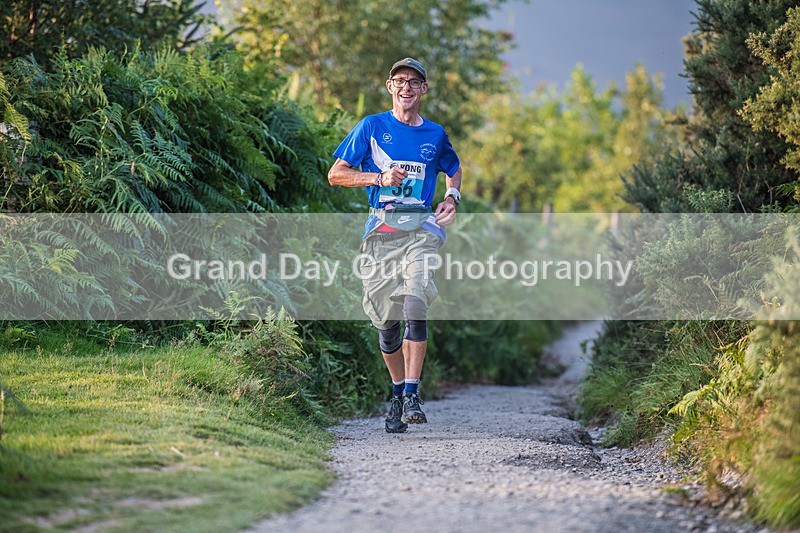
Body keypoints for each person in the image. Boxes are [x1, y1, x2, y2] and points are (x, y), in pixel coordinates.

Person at [328, 57, 463, 433]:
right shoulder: (372, 127)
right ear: (390, 86)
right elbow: (336, 174)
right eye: (400, 80)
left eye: (414, 82)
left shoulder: (435, 134)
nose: (406, 87)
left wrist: (451, 198)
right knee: (386, 324)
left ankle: (413, 394)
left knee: (415, 301)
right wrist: (379, 178)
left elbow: (453, 168)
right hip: (381, 233)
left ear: (424, 89)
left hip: (421, 230)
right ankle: (398, 392)